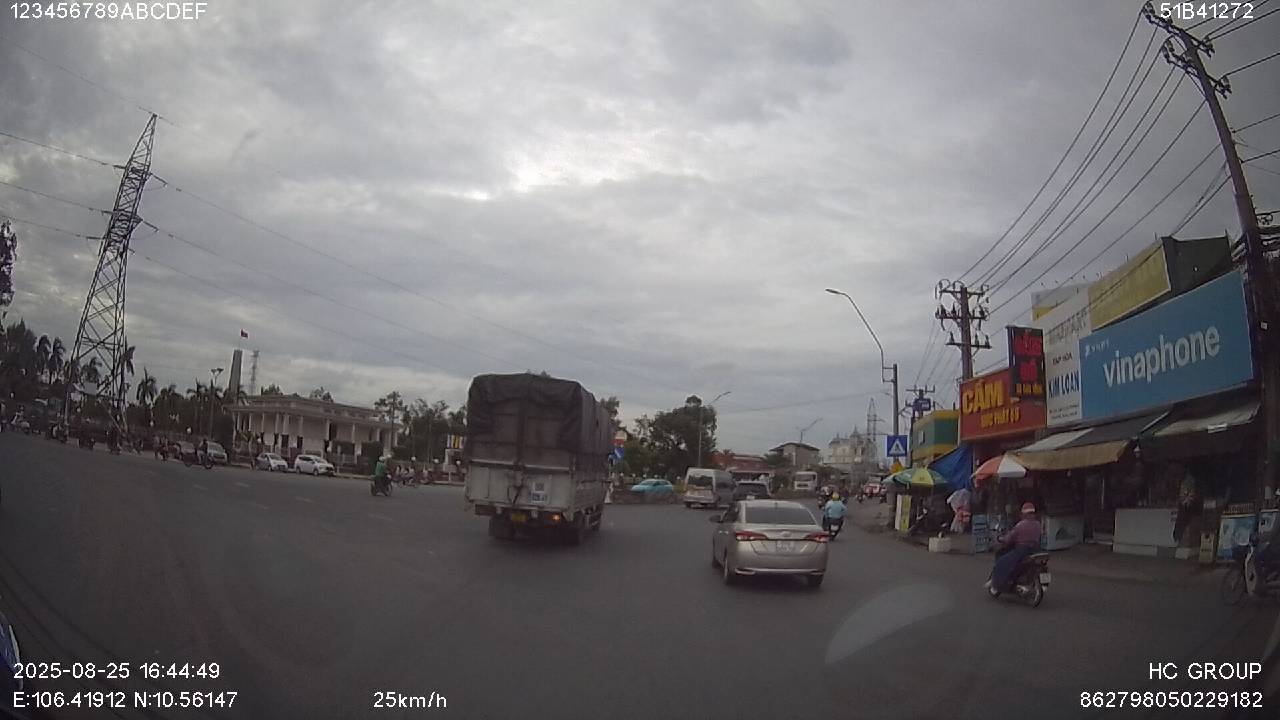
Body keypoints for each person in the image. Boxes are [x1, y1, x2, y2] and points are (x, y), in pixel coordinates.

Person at [987, 503, 1042, 591]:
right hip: (1034, 549)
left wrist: (1000, 538)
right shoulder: (1038, 524)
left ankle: (998, 584)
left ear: (1024, 514)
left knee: (1002, 562)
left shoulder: (1021, 525)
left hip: (1021, 550)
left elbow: (1008, 538)